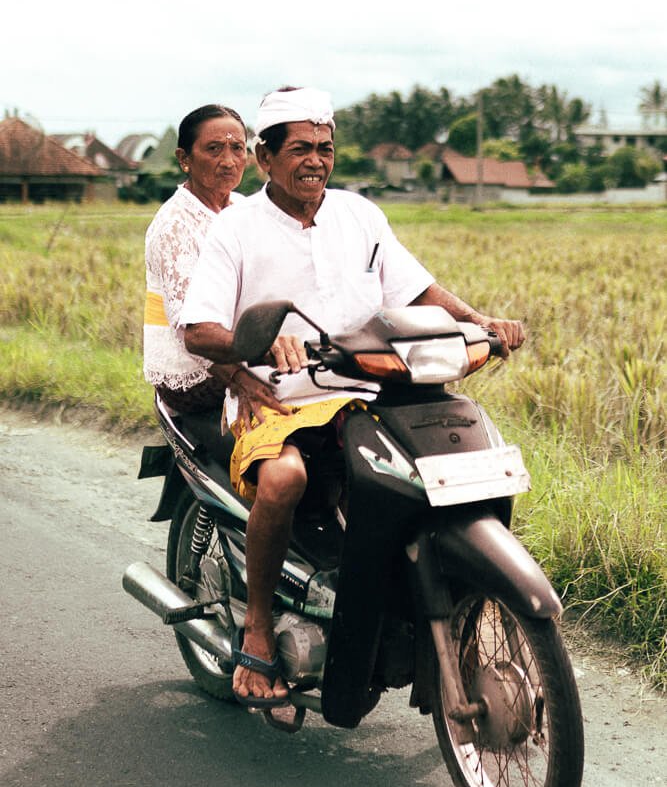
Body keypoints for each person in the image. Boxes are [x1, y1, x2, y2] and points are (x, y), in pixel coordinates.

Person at [180, 87, 525, 707]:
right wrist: (256, 347)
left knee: (442, 470)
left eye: (325, 147)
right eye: (301, 149)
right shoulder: (237, 228)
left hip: (370, 386)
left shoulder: (359, 215)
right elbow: (197, 328)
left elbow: (417, 288)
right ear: (265, 157)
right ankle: (258, 628)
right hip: (278, 394)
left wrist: (482, 323)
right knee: (283, 481)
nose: (316, 160)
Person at [143, 103, 283, 420]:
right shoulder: (174, 227)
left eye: (237, 148)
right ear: (184, 159)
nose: (229, 161)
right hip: (196, 372)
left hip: (239, 348)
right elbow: (189, 332)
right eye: (214, 149)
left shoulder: (242, 208)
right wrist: (239, 377)